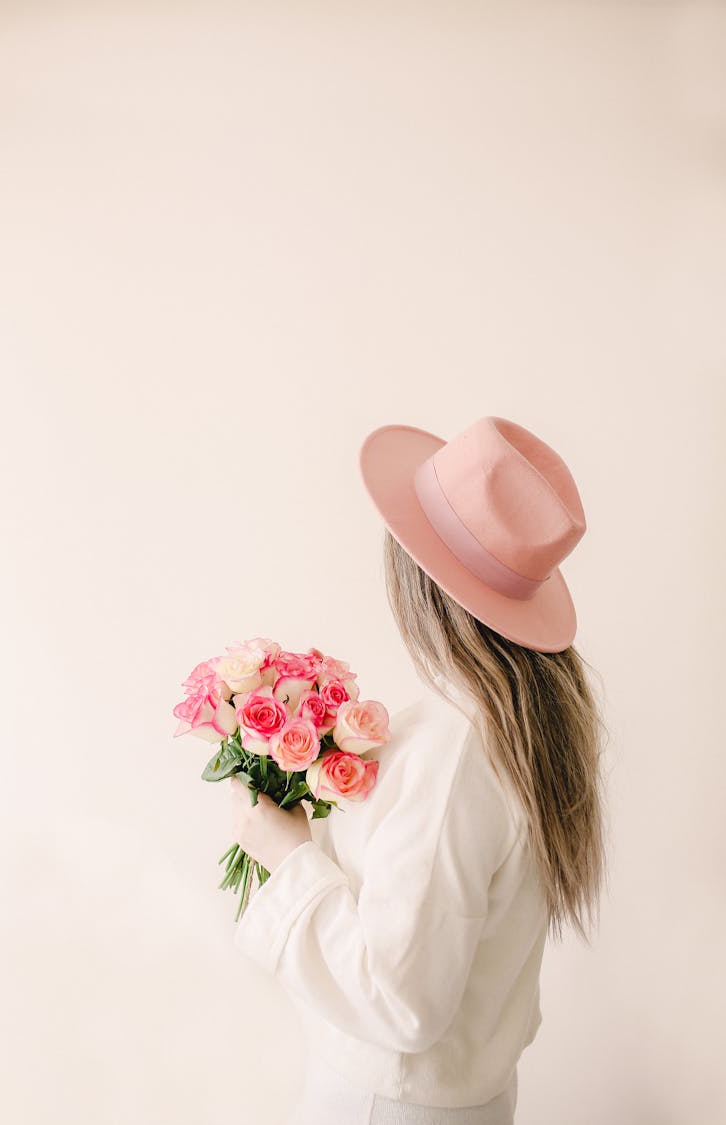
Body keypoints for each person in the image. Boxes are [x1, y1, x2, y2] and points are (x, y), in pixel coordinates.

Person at [229, 415, 609, 1124]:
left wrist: (290, 855)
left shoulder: (456, 746)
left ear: (419, 577)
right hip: (467, 1098)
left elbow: (400, 997)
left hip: (387, 1104)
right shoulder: (531, 722)